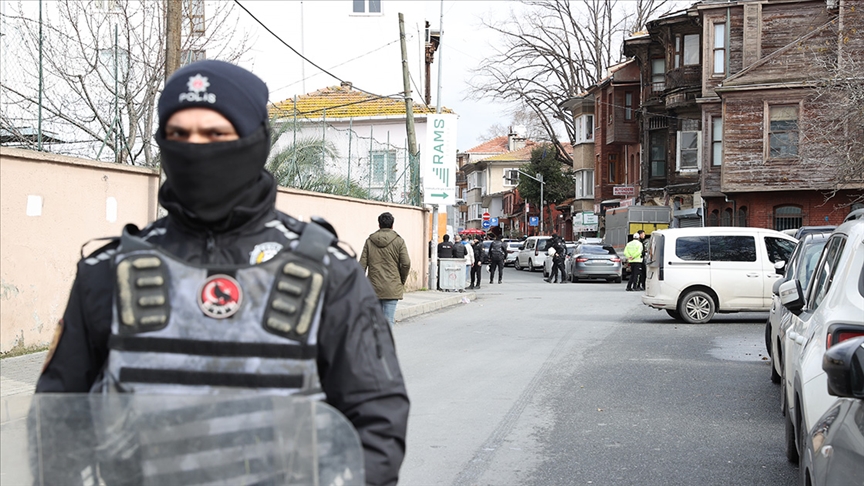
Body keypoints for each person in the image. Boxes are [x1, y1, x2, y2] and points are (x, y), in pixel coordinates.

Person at [33, 60, 409, 486]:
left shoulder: (328, 273)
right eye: (179, 135)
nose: (196, 149)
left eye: (215, 135)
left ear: (255, 141)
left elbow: (377, 423)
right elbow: (57, 427)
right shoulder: (107, 271)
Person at [360, 212, 411, 328]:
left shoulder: (369, 241)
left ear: (379, 225)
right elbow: (406, 263)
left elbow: (362, 265)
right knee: (388, 321)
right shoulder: (399, 241)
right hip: (392, 286)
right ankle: (386, 345)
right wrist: (401, 280)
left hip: (372, 286)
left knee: (374, 322)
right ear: (392, 225)